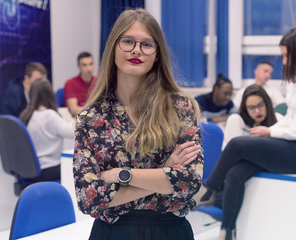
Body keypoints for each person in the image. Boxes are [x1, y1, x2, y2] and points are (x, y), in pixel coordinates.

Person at [73, 8, 203, 240]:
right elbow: (89, 199)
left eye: (146, 44)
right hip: (113, 233)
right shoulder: (90, 118)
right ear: (113, 47)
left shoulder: (181, 108)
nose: (136, 50)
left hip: (170, 231)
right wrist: (165, 171)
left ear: (156, 54)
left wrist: (122, 175)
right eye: (128, 41)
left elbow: (189, 181)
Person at [196, 28, 296, 240]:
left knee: (237, 145)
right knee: (237, 171)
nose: (284, 61)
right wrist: (272, 132)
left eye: (286, 55)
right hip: (294, 145)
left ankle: (207, 190)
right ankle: (227, 231)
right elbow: (290, 119)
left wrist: (270, 131)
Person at [19, 78, 74, 182]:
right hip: (49, 168)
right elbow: (73, 133)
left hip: (31, 169)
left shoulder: (26, 115)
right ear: (50, 94)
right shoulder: (50, 115)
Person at [222, 84, 278, 149]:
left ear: (267, 104)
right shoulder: (237, 121)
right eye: (251, 107)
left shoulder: (278, 120)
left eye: (260, 105)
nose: (257, 111)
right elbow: (231, 153)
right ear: (245, 109)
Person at [64, 51, 97, 116]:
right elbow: (74, 110)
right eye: (84, 65)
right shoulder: (71, 83)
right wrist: (95, 110)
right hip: (78, 118)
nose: (89, 68)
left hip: (96, 118)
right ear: (78, 66)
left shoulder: (98, 81)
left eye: (91, 64)